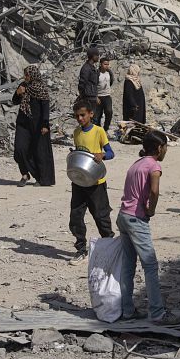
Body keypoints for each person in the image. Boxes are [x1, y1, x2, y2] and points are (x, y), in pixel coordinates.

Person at [117, 130, 180, 325]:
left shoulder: (137, 164)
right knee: (150, 266)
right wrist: (151, 210)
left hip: (123, 216)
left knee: (128, 266)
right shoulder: (154, 166)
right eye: (166, 147)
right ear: (159, 148)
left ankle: (127, 310)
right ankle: (158, 313)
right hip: (136, 219)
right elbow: (154, 191)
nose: (166, 151)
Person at [70, 101, 115, 257]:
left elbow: (110, 153)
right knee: (76, 216)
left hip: (96, 183)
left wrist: (102, 155)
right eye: (77, 116)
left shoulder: (98, 131)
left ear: (91, 114)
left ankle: (110, 246)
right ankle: (81, 249)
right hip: (79, 182)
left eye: (82, 115)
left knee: (101, 216)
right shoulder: (76, 133)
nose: (80, 118)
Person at [13, 65, 55, 187]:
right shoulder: (23, 86)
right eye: (25, 74)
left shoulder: (40, 88)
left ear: (33, 75)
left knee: (39, 152)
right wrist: (17, 93)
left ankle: (41, 178)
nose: (25, 77)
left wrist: (45, 124)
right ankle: (25, 174)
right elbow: (15, 101)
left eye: (27, 75)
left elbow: (45, 108)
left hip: (38, 125)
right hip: (23, 123)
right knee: (20, 149)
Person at [94, 57, 114, 130]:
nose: (106, 66)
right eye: (105, 64)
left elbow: (111, 81)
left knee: (109, 112)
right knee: (97, 115)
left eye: (108, 64)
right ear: (100, 64)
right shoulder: (97, 73)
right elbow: (93, 85)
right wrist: (96, 96)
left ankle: (106, 129)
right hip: (99, 96)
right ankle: (98, 129)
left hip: (107, 96)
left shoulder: (109, 73)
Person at [78, 46, 100, 111]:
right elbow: (82, 83)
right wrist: (83, 96)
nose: (98, 57)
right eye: (97, 55)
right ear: (93, 56)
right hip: (88, 98)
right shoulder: (86, 68)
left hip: (92, 96)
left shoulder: (92, 67)